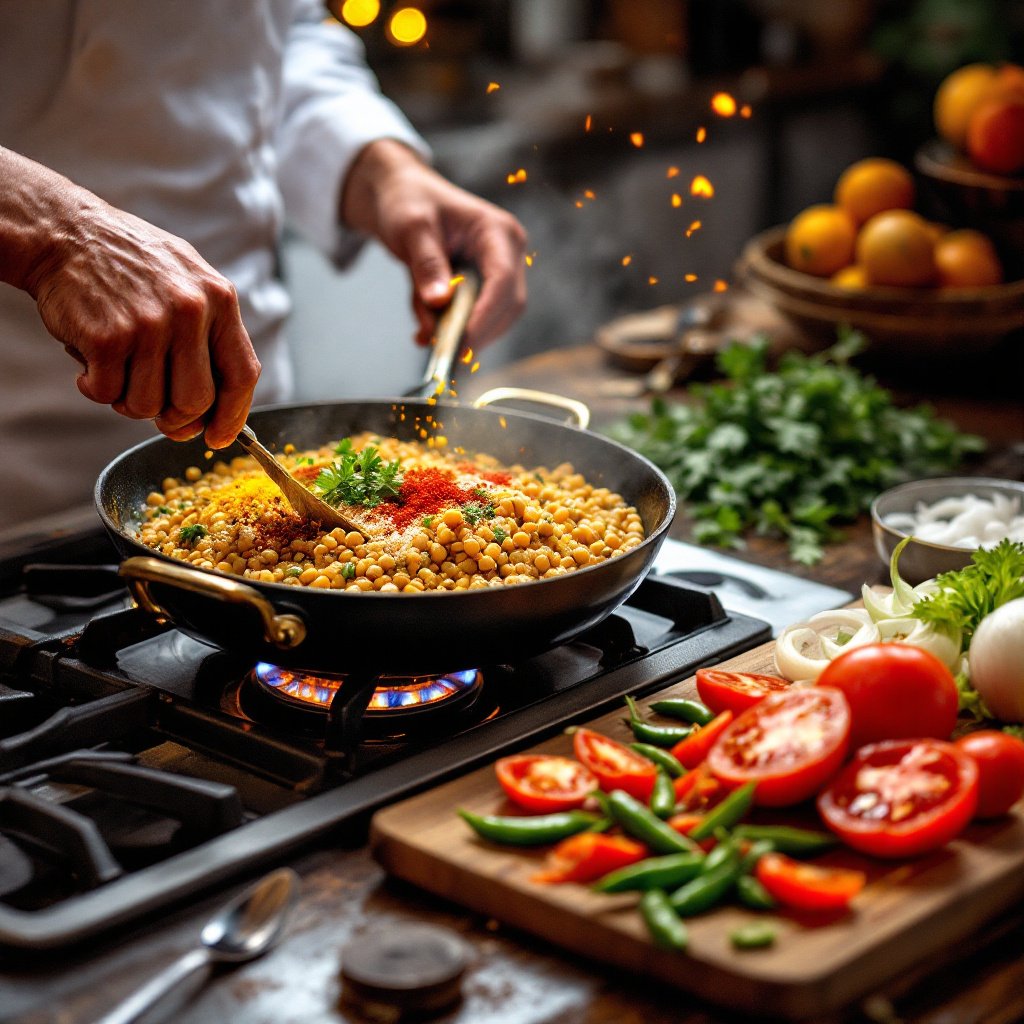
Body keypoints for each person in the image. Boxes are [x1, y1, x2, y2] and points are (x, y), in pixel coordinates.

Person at [0, 2, 527, 526]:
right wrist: (56, 235)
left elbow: (283, 35)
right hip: (15, 465)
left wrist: (382, 169)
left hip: (243, 437)